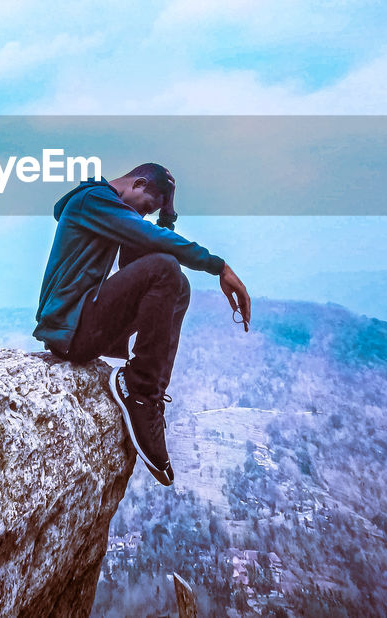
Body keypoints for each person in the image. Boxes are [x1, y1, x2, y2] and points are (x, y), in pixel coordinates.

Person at [33, 163, 251, 486]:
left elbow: (148, 253)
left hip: (86, 324)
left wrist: (167, 212)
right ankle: (139, 390)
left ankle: (150, 396)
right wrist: (218, 266)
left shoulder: (108, 212)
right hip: (71, 327)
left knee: (177, 284)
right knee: (166, 270)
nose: (144, 217)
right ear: (136, 184)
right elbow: (154, 245)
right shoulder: (93, 200)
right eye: (147, 208)